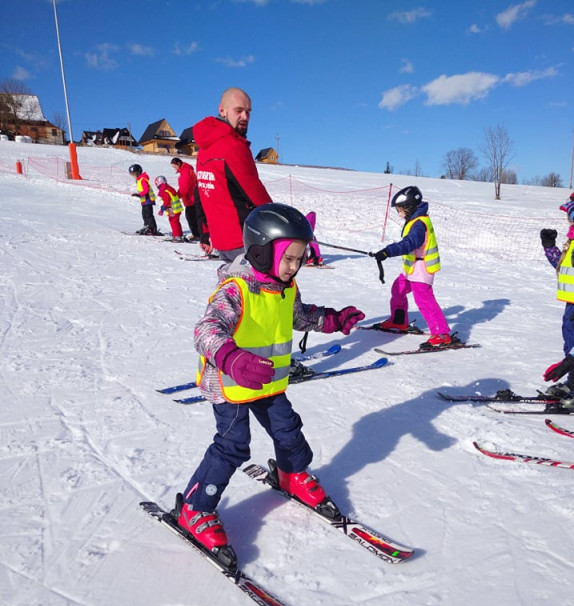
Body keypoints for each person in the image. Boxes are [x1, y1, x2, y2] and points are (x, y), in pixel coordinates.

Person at [172, 203, 365, 570]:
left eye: (299, 258)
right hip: (230, 383)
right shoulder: (236, 290)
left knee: (288, 429)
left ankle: (292, 474)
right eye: (289, 258)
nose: (295, 266)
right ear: (260, 252)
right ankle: (195, 509)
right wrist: (232, 358)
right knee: (232, 446)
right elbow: (206, 331)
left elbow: (301, 316)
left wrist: (335, 320)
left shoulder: (285, 288)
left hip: (269, 383)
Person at [193, 87, 272, 263]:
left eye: (248, 112)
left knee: (239, 287)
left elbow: (201, 194)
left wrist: (205, 231)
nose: (244, 117)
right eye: (239, 110)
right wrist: (279, 222)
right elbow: (256, 195)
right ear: (222, 110)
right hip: (244, 240)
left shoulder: (204, 148)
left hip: (223, 243)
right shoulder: (233, 146)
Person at [371, 185, 452, 346]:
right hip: (411, 268)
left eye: (400, 210)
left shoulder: (419, 224)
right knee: (398, 289)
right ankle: (398, 320)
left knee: (424, 300)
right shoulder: (414, 220)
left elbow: (410, 243)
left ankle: (441, 333)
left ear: (410, 207)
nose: (399, 214)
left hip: (422, 269)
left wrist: (388, 251)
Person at [541, 193, 574, 405]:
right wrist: (549, 247)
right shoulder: (572, 241)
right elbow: (563, 269)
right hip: (571, 305)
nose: (568, 220)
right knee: (570, 342)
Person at [170, 157, 200, 240]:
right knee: (193, 216)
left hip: (191, 198)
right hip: (190, 198)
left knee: (191, 217)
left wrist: (176, 196)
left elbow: (184, 188)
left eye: (174, 166)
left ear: (178, 164)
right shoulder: (185, 170)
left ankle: (197, 235)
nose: (174, 169)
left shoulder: (185, 171)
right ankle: (198, 234)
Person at [129, 164, 158, 235]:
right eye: (131, 174)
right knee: (144, 214)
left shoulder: (142, 179)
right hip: (144, 200)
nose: (133, 176)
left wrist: (139, 194)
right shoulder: (139, 179)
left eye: (133, 174)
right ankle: (146, 226)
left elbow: (146, 189)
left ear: (137, 172)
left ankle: (152, 228)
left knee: (148, 214)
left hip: (148, 199)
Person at [154, 175, 184, 241]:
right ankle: (178, 234)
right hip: (175, 209)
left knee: (173, 222)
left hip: (172, 209)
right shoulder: (169, 188)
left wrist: (162, 209)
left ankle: (177, 235)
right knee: (176, 222)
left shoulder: (166, 191)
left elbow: (167, 201)